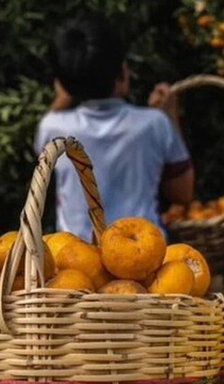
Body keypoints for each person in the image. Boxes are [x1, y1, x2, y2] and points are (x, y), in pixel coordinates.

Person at [35, 14, 194, 242]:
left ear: (62, 84)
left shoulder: (52, 127)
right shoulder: (154, 123)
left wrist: (68, 88)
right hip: (142, 253)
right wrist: (170, 115)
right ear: (122, 72)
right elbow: (182, 193)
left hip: (77, 259)